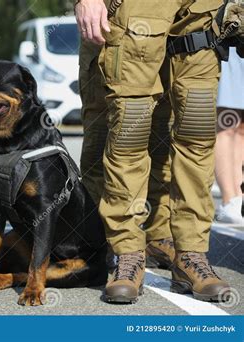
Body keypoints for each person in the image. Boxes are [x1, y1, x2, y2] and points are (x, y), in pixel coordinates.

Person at [75, 0, 231, 303]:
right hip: (135, 9)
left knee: (196, 131)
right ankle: (127, 254)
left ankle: (191, 255)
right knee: (129, 131)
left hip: (204, 9)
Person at [78, 40, 176, 271]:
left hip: (167, 30)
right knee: (107, 135)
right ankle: (102, 239)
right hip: (111, 29)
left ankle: (158, 235)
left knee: (162, 137)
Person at [214, 46, 244, 225]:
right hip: (231, 41)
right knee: (227, 121)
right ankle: (228, 198)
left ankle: (239, 196)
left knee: (241, 126)